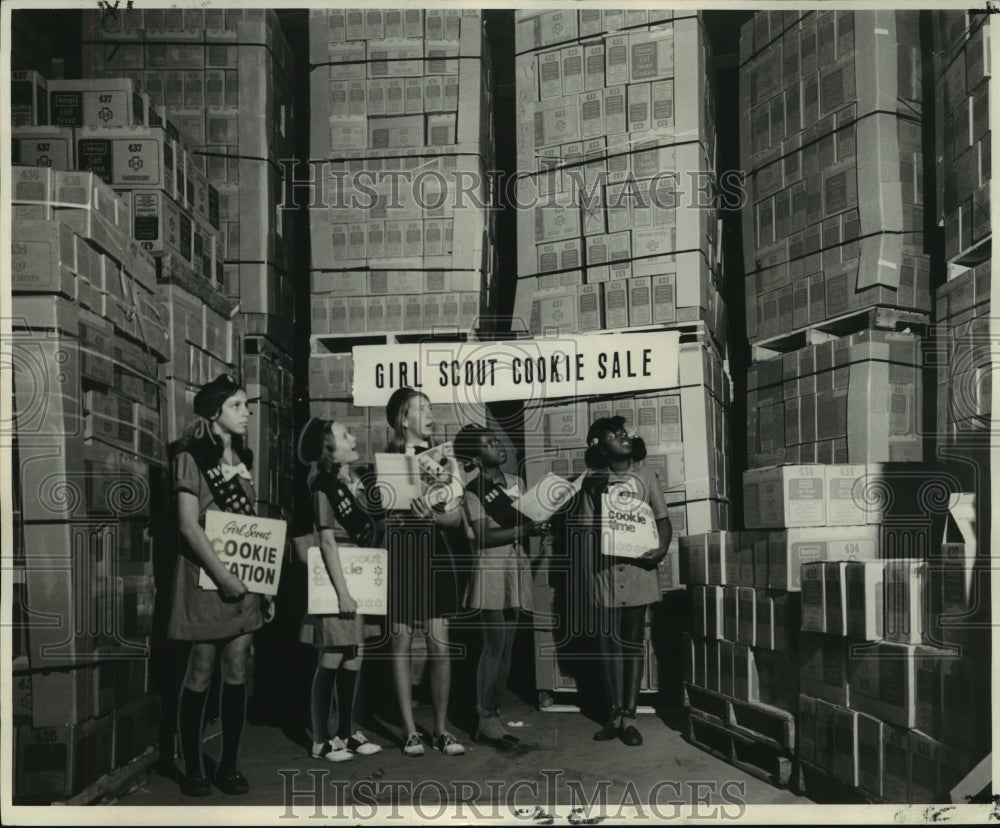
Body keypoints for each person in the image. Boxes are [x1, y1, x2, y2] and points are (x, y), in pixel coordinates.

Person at [167, 374, 272, 796]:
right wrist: (225, 577)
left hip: (243, 583)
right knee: (201, 669)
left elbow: (252, 531)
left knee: (237, 668)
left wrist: (263, 586)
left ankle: (228, 765)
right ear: (215, 413)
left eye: (246, 406)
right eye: (237, 406)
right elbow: (189, 527)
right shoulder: (191, 457)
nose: (246, 413)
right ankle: (194, 766)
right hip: (206, 579)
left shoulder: (243, 457)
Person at [575, 415, 672, 747]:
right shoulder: (592, 482)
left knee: (632, 642)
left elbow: (663, 521)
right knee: (608, 645)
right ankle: (613, 714)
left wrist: (660, 551)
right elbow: (587, 534)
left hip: (638, 571)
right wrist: (588, 579)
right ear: (601, 449)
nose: (622, 436)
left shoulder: (646, 476)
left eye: (623, 432)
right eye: (614, 436)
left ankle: (630, 715)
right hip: (604, 572)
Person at [382, 387, 469, 757]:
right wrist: (401, 514)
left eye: (431, 408)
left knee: (439, 644)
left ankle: (440, 728)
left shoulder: (448, 462)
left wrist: (433, 514)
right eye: (421, 409)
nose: (430, 414)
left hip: (437, 555)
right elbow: (382, 518)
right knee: (401, 642)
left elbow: (455, 515)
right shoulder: (387, 462)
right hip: (404, 555)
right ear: (404, 419)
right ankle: (409, 730)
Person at [453, 424, 551, 748]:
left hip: (516, 567)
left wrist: (538, 527)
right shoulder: (473, 490)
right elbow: (483, 536)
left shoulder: (516, 483)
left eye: (497, 439)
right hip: (491, 571)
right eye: (489, 443)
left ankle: (495, 711)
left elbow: (524, 522)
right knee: (493, 647)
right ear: (476, 456)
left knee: (508, 648)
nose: (498, 445)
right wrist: (525, 530)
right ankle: (484, 719)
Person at [297, 417, 385, 763]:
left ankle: (347, 732)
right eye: (344, 434)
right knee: (332, 653)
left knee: (354, 653)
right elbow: (328, 542)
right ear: (327, 448)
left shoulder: (351, 482)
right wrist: (343, 593)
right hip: (338, 577)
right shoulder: (322, 484)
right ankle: (321, 739)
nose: (352, 436)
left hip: (359, 571)